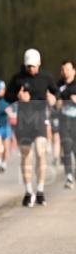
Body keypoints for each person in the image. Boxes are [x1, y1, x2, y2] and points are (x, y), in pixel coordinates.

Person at [5, 48, 58, 206]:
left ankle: (40, 190)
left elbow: (56, 94)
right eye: (28, 66)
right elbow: (7, 97)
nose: (31, 69)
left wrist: (52, 98)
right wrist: (18, 97)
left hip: (40, 119)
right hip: (24, 121)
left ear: (39, 63)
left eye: (33, 66)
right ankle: (28, 191)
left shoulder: (46, 77)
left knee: (41, 152)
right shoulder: (18, 78)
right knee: (26, 155)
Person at [57, 60, 76, 189]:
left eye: (68, 69)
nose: (65, 72)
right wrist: (58, 103)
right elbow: (56, 103)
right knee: (66, 148)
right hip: (64, 120)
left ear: (74, 71)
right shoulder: (59, 85)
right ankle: (69, 175)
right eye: (63, 69)